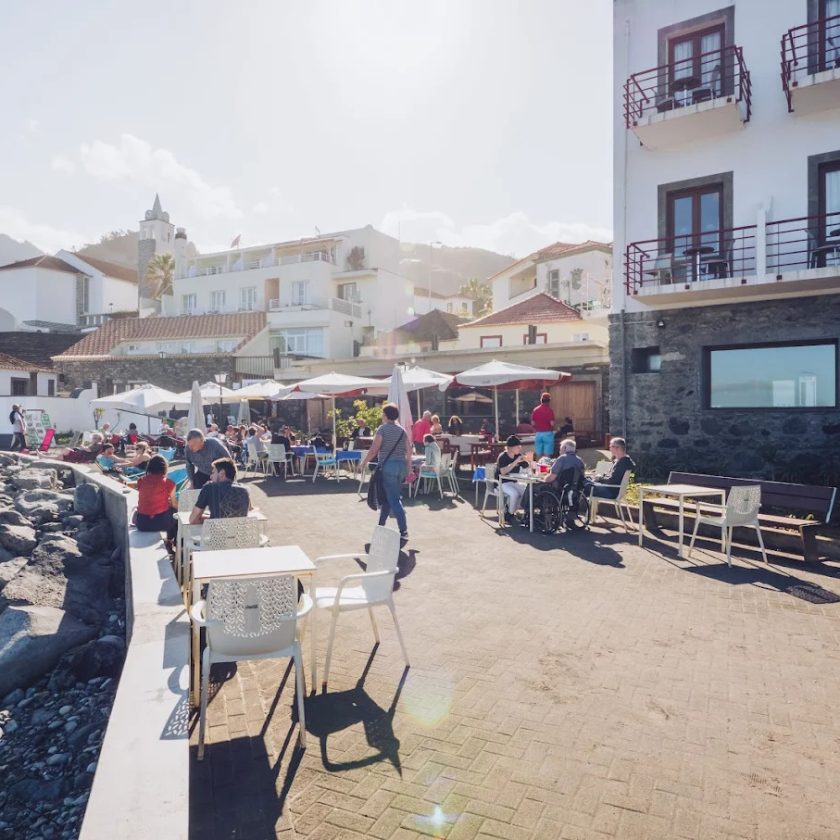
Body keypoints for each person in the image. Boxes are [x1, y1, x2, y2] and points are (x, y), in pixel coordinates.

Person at [361, 402, 413, 540]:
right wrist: (409, 468)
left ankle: (403, 531)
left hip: (388, 466)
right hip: (400, 466)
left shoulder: (382, 429)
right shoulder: (402, 430)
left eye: (382, 413)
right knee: (388, 498)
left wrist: (364, 462)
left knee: (394, 499)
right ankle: (380, 526)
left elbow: (374, 449)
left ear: (386, 415)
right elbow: (409, 451)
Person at [189, 457, 251, 523]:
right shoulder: (245, 490)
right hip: (239, 532)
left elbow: (193, 519)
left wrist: (210, 518)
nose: (210, 476)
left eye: (213, 472)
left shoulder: (209, 488)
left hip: (216, 532)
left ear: (222, 473)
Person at [135, 455, 178, 543]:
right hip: (160, 524)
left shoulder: (140, 481)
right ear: (164, 468)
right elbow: (174, 504)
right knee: (175, 513)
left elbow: (149, 497)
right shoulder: (169, 483)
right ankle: (171, 541)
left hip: (141, 523)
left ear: (149, 467)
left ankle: (169, 541)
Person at [496, 435, 530, 521]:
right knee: (514, 494)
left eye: (520, 446)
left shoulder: (517, 455)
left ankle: (525, 513)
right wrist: (516, 461)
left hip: (514, 481)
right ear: (510, 448)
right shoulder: (503, 457)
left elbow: (526, 466)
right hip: (501, 483)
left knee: (526, 492)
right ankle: (509, 514)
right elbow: (503, 471)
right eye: (517, 446)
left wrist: (529, 460)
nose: (519, 448)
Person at [531, 392, 556, 458]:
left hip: (538, 434)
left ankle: (538, 467)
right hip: (548, 433)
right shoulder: (550, 410)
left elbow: (533, 423)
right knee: (547, 454)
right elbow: (552, 423)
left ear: (541, 400)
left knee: (539, 454)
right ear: (549, 401)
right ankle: (546, 468)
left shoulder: (535, 410)